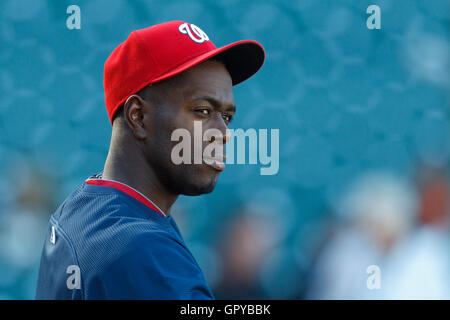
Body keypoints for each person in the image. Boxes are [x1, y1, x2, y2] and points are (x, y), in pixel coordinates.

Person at [36, 21, 265, 299]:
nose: (223, 134)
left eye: (226, 117)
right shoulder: (144, 253)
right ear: (138, 117)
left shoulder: (80, 206)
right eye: (203, 111)